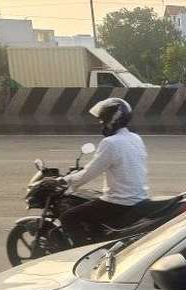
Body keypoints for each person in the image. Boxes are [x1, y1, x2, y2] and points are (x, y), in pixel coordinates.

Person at [50, 98, 149, 243]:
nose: (101, 123)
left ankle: (82, 253)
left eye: (103, 119)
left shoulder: (110, 143)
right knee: (92, 208)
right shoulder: (135, 138)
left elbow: (89, 173)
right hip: (139, 199)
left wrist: (63, 180)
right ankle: (98, 241)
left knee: (68, 217)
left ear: (112, 120)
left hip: (120, 202)